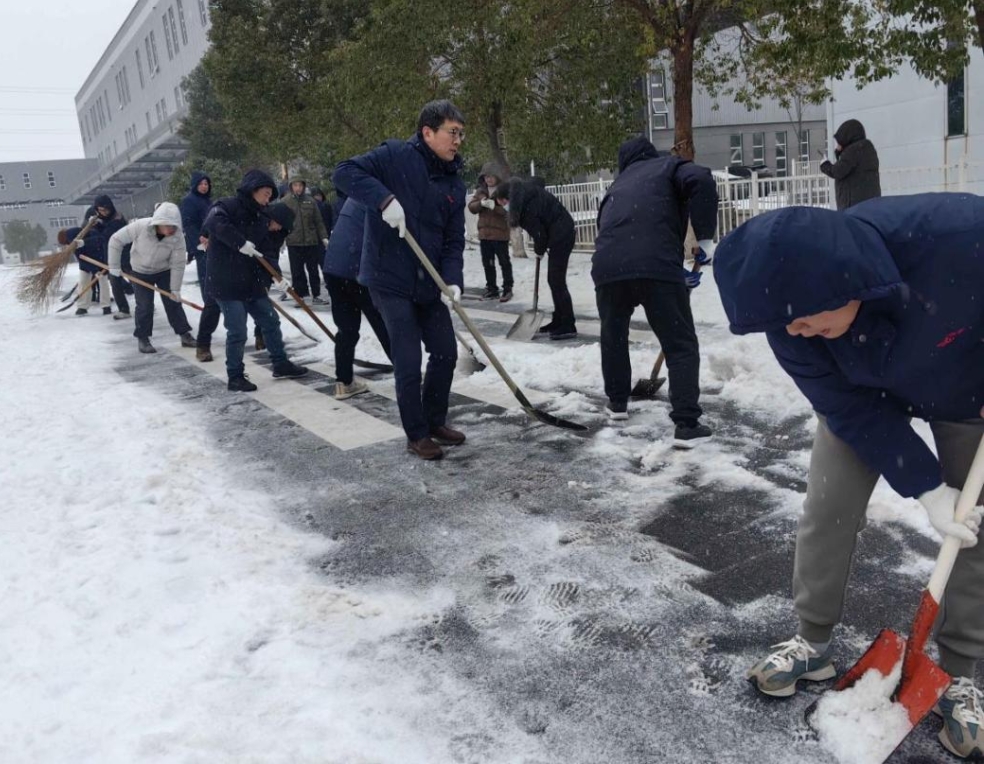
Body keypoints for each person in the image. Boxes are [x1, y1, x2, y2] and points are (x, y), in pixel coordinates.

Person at [713, 194, 984, 760]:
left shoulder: (956, 236)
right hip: (862, 394)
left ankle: (957, 670)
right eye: (785, 321)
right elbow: (847, 408)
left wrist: (951, 496)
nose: (796, 330)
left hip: (965, 387)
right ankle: (812, 639)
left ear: (840, 280)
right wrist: (926, 486)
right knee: (826, 506)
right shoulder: (788, 317)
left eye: (805, 315)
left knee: (972, 527)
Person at [333, 99, 467, 461]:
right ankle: (417, 433)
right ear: (427, 132)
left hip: (430, 280)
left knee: (445, 352)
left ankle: (435, 420)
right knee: (408, 358)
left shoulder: (455, 181)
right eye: (452, 133)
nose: (458, 141)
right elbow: (344, 172)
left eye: (461, 134)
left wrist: (452, 280)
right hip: (388, 276)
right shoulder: (394, 156)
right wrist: (384, 199)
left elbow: (455, 239)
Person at [591, 135, 718, 446]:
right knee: (680, 343)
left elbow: (606, 226)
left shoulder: (616, 187)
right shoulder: (667, 166)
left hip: (608, 268)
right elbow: (701, 178)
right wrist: (703, 239)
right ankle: (687, 423)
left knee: (614, 336)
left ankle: (617, 402)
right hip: (655, 264)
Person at [203, 169, 308, 391]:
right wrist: (239, 242)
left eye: (271, 193)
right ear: (253, 189)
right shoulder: (227, 205)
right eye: (266, 192)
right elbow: (214, 223)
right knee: (238, 330)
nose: (268, 197)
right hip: (226, 282)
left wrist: (277, 277)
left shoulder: (261, 217)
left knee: (270, 320)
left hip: (251, 282)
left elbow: (267, 252)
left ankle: (280, 363)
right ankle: (235, 376)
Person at [323, 197, 393, 400]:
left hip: (334, 269)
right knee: (386, 324)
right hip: (359, 269)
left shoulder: (354, 197)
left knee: (347, 329)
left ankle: (344, 382)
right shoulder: (383, 198)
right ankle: (409, 378)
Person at [492, 176, 577, 340]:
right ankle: (559, 320)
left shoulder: (524, 208)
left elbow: (539, 234)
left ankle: (568, 324)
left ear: (507, 198)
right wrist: (542, 245)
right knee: (555, 280)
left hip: (561, 235)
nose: (504, 207)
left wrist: (539, 249)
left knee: (556, 280)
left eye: (502, 203)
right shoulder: (526, 194)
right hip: (561, 231)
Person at [107, 202, 196, 354]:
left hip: (164, 271)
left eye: (173, 226)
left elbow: (178, 263)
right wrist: (114, 266)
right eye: (167, 226)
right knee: (144, 306)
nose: (170, 230)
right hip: (140, 271)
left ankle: (184, 334)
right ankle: (143, 338)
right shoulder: (140, 226)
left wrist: (175, 289)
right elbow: (116, 240)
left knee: (173, 302)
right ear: (158, 222)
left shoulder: (177, 236)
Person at [179, 172, 220, 361]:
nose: (204, 186)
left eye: (207, 183)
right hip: (202, 246)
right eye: (201, 183)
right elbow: (189, 225)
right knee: (207, 279)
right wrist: (199, 242)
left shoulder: (208, 201)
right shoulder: (189, 201)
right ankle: (210, 302)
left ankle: (214, 301)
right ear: (195, 185)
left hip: (214, 243)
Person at [70, 195, 126, 316]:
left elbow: (104, 237)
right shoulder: (91, 224)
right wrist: (95, 225)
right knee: (85, 281)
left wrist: (85, 242)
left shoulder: (117, 219)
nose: (102, 213)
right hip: (91, 256)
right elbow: (100, 234)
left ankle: (107, 306)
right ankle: (83, 306)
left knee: (106, 281)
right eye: (99, 210)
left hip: (111, 254)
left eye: (104, 210)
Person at [467, 162, 513, 301]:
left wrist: (495, 207)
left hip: (500, 234)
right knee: (488, 263)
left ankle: (507, 288)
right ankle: (492, 288)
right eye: (486, 177)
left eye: (491, 177)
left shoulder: (504, 191)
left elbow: (509, 211)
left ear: (497, 177)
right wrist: (481, 204)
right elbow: (471, 207)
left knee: (504, 262)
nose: (488, 179)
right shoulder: (481, 191)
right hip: (485, 234)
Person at [281, 176, 330, 306]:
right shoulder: (285, 202)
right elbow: (281, 222)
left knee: (313, 270)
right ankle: (300, 296)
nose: (298, 188)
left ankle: (317, 295)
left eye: (300, 185)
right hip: (294, 242)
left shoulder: (311, 201)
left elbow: (318, 221)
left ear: (303, 186)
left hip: (311, 241)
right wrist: (281, 240)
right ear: (291, 187)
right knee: (297, 271)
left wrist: (324, 237)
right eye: (295, 185)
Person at [819, 119, 881, 210]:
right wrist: (839, 152)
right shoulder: (867, 147)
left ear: (847, 137)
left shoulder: (852, 151)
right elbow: (848, 166)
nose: (838, 145)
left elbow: (837, 171)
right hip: (870, 202)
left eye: (840, 142)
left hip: (853, 204)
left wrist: (824, 164)